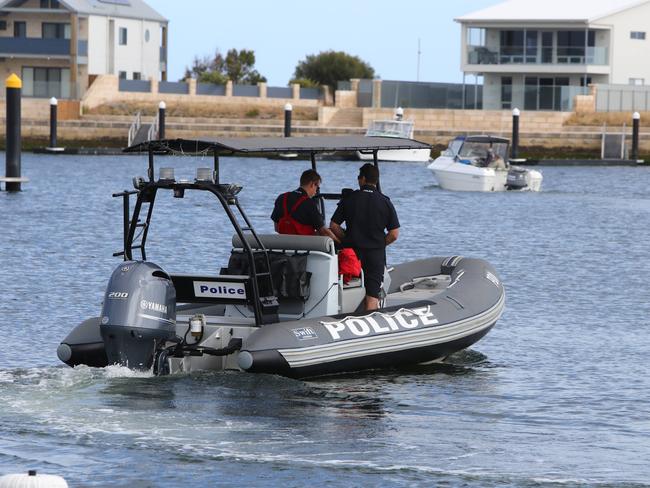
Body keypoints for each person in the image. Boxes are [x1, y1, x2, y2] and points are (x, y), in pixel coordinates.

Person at [329, 163, 399, 311]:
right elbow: (393, 234)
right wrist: (380, 244)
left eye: (358, 177)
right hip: (375, 254)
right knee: (372, 296)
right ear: (376, 180)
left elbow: (334, 226)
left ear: (363, 179)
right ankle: (370, 326)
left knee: (345, 288)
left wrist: (347, 239)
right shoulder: (385, 202)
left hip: (352, 253)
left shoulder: (349, 199)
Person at [271, 169, 340, 243]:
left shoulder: (281, 197)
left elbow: (276, 228)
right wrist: (339, 243)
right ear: (312, 184)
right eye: (317, 187)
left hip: (283, 244)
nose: (316, 191)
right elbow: (323, 231)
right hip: (305, 247)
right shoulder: (309, 203)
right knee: (330, 231)